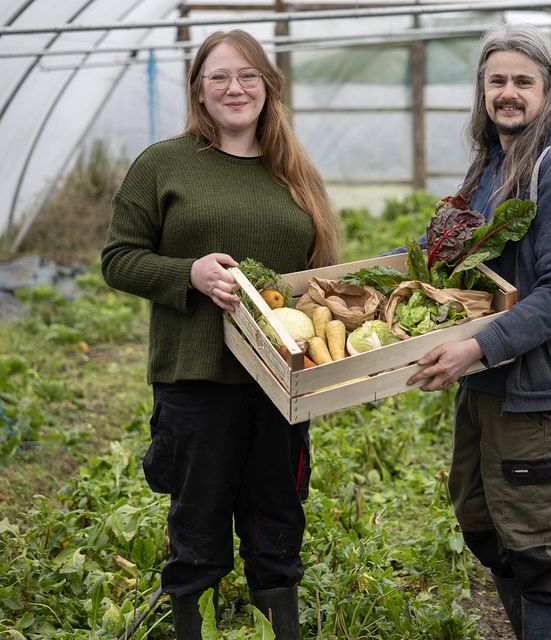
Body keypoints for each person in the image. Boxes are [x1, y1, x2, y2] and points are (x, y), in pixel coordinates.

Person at [101, 29, 338, 640]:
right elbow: (119, 258)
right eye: (219, 77)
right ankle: (192, 626)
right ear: (199, 92)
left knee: (276, 522)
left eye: (248, 76)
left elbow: (313, 277)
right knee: (198, 528)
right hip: (196, 378)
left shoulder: (293, 172)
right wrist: (190, 272)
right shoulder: (164, 163)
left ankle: (276, 628)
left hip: (280, 384)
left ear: (268, 86)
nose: (235, 88)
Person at [407, 22, 551, 640]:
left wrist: (475, 345)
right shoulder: (491, 164)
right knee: (481, 523)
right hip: (483, 384)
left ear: (547, 90)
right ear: (481, 90)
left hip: (530, 387)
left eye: (522, 81)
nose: (508, 92)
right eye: (496, 80)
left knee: (540, 553)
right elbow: (450, 250)